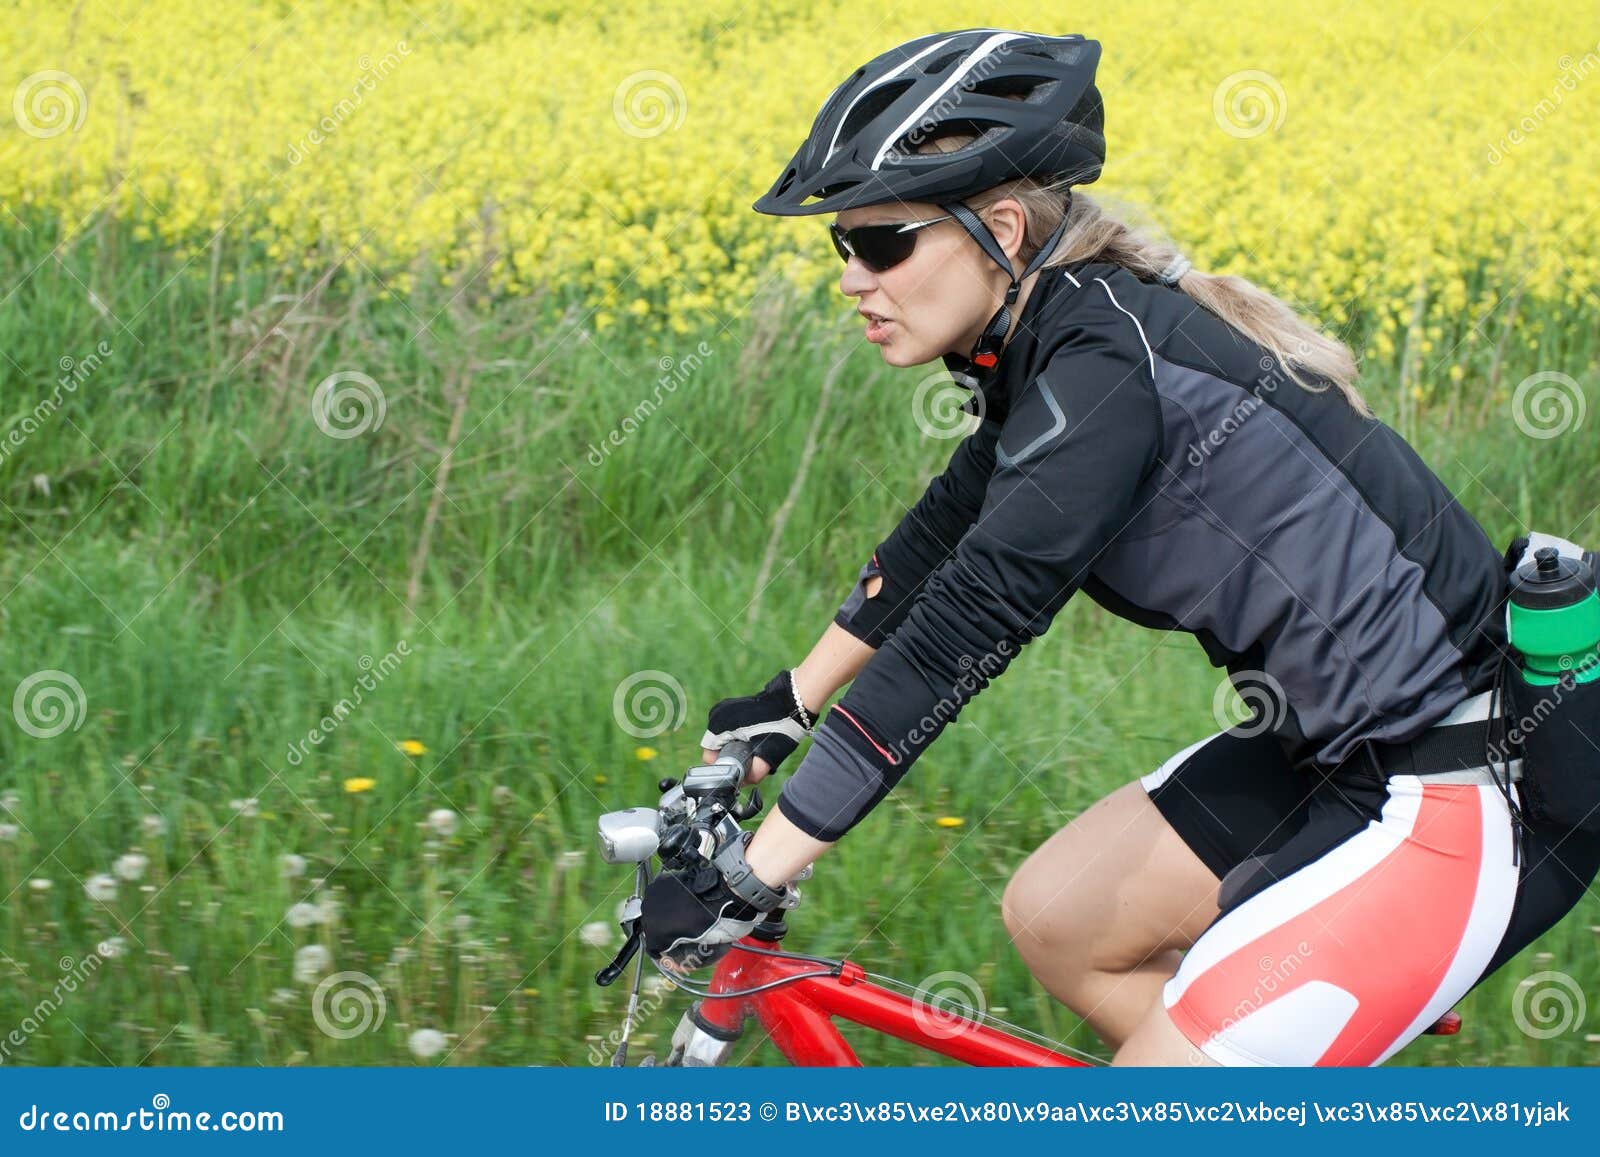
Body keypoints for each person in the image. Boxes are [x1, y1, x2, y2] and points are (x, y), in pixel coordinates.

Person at [638, 27, 1600, 1066]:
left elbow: (970, 620)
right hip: (1336, 752)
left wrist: (760, 868)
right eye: (842, 247)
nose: (852, 279)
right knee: (1059, 918)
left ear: (999, 225)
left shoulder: (1101, 370)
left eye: (882, 243)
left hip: (1465, 785)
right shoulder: (1055, 341)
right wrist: (790, 700)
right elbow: (941, 533)